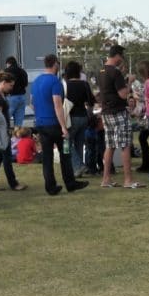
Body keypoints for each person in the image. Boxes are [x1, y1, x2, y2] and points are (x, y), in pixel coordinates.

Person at [32, 54, 89, 195]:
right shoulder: (55, 82)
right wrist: (63, 127)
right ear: (55, 64)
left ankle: (50, 186)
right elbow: (58, 105)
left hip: (41, 123)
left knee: (47, 157)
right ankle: (70, 183)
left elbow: (32, 103)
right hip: (54, 123)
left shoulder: (36, 81)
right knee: (65, 154)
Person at [98, 45, 142, 188]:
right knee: (125, 145)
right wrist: (128, 82)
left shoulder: (101, 71)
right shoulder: (115, 72)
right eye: (122, 57)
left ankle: (106, 179)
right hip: (118, 112)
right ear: (117, 55)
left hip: (106, 112)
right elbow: (123, 94)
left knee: (109, 145)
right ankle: (128, 180)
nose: (122, 60)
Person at [0, 72, 26, 191]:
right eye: (11, 85)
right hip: (1, 133)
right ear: (3, 83)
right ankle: (13, 183)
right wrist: (4, 132)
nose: (12, 88)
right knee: (7, 159)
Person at [64, 61, 95, 177]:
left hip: (71, 117)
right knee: (79, 144)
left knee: (66, 144)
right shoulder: (85, 84)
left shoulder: (65, 85)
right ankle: (77, 171)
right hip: (83, 116)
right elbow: (91, 101)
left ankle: (78, 166)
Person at [131, 60, 149, 173]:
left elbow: (145, 99)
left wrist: (136, 96)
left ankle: (147, 165)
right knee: (146, 138)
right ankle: (146, 164)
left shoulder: (147, 83)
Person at [4, 57, 29, 127]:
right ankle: (17, 137)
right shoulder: (22, 71)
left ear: (8, 63)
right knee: (18, 124)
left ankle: (6, 137)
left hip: (11, 98)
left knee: (4, 120)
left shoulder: (6, 72)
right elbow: (26, 84)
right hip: (22, 98)